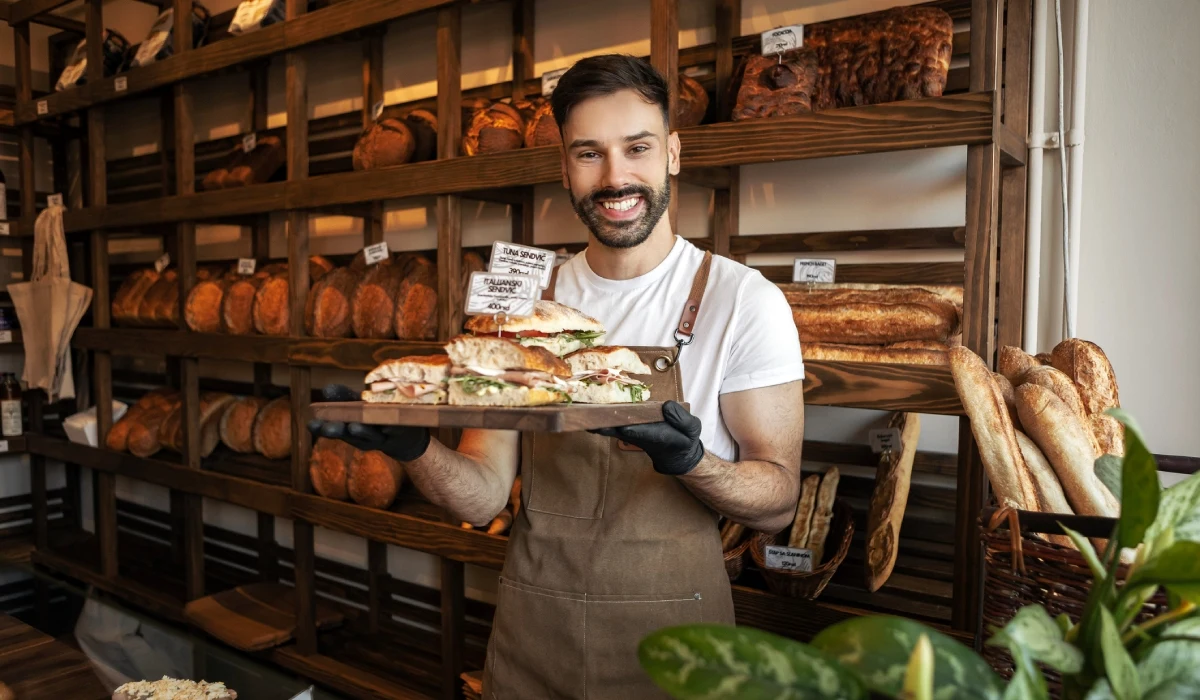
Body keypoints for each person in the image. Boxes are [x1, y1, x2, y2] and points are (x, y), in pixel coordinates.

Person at [311, 54, 806, 699]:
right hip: (531, 639)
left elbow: (779, 500)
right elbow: (484, 495)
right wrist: (414, 449)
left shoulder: (741, 299)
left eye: (637, 148)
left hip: (677, 650)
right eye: (589, 153)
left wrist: (693, 462)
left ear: (674, 154)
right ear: (563, 168)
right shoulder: (521, 303)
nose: (615, 175)